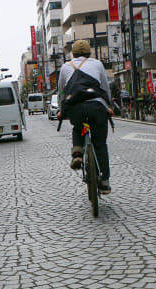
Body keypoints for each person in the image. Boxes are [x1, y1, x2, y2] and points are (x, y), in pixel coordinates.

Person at [57, 40, 114, 194]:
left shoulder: (65, 67)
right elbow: (105, 87)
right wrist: (108, 106)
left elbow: (62, 91)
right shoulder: (97, 64)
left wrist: (61, 110)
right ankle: (104, 180)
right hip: (96, 108)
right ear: (89, 54)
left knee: (80, 128)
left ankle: (77, 154)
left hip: (77, 109)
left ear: (73, 54)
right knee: (100, 143)